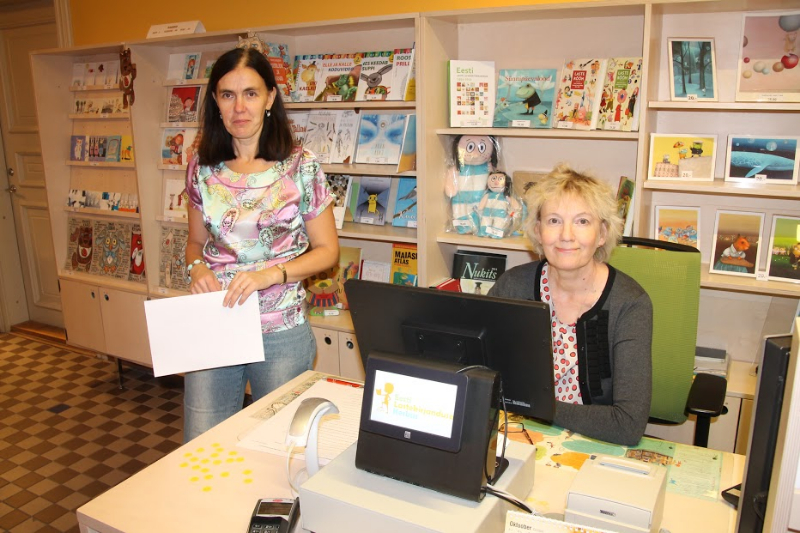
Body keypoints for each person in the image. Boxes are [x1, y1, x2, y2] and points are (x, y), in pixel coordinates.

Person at [183, 46, 339, 442]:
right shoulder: (201, 167)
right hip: (216, 320)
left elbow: (327, 251)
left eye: (250, 93)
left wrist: (271, 275)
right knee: (203, 442)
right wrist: (196, 268)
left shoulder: (301, 166)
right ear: (215, 101)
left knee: (280, 446)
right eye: (228, 94)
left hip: (280, 327)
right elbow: (194, 243)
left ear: (270, 97)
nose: (239, 107)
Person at [488, 164, 652, 446]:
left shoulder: (630, 303)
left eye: (582, 221)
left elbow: (628, 424)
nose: (566, 235)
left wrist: (536, 407)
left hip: (595, 444)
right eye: (554, 221)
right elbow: (476, 373)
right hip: (518, 436)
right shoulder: (512, 286)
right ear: (538, 230)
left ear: (602, 234)